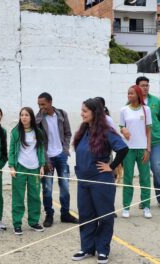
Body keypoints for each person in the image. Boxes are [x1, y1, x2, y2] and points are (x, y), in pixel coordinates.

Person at [72, 98, 128, 264]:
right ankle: (87, 248)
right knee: (86, 215)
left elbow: (123, 149)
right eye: (82, 110)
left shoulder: (106, 131)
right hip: (83, 181)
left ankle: (102, 249)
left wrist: (111, 166)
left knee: (104, 215)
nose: (81, 114)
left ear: (95, 113)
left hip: (101, 181)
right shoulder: (84, 130)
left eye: (85, 111)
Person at [36, 93, 77, 227]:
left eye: (43, 104)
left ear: (50, 102)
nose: (41, 107)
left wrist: (65, 150)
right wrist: (44, 159)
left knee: (64, 186)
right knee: (47, 188)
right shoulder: (38, 118)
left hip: (61, 156)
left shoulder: (61, 114)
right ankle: (49, 214)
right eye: (39, 105)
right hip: (47, 157)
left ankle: (65, 214)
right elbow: (39, 141)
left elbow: (68, 133)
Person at [9, 107, 46, 235]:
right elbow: (12, 150)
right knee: (18, 197)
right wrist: (11, 167)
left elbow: (41, 150)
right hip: (19, 168)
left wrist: (42, 166)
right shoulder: (15, 132)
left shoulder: (38, 132)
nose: (24, 117)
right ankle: (17, 223)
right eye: (22, 115)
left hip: (34, 169)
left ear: (31, 117)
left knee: (35, 196)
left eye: (26, 115)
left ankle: (34, 221)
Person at [119, 85, 153, 219]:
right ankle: (126, 207)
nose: (129, 95)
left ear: (138, 95)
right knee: (127, 179)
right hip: (128, 150)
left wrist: (148, 148)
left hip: (143, 149)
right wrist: (123, 130)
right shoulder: (124, 110)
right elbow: (121, 126)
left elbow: (148, 131)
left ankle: (146, 207)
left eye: (131, 93)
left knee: (145, 179)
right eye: (128, 93)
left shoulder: (146, 110)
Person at [137, 76, 160, 210]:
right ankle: (145, 200)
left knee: (157, 170)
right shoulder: (132, 101)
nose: (145, 87)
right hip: (140, 143)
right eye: (143, 85)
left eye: (147, 85)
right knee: (143, 173)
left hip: (156, 140)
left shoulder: (155, 101)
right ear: (137, 87)